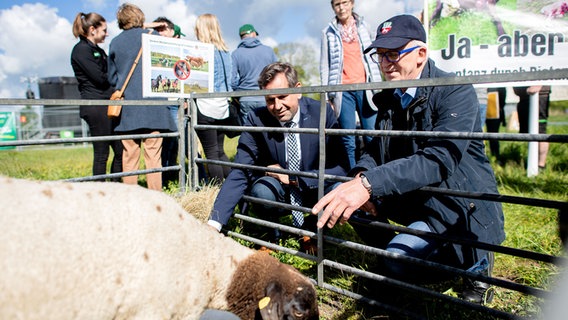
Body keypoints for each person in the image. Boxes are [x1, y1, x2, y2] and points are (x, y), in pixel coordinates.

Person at [312, 14, 505, 304]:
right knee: (347, 199)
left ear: (421, 54)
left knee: (397, 260)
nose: (386, 63)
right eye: (380, 55)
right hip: (416, 199)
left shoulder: (455, 91)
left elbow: (438, 159)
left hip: (456, 207)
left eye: (393, 53)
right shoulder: (390, 99)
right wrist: (361, 176)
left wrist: (369, 184)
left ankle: (473, 265)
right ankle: (399, 257)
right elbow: (374, 151)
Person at [208, 62, 349, 235]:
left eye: (282, 96)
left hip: (314, 188)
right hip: (280, 191)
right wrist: (214, 223)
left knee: (336, 188)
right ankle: (272, 236)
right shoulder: (257, 118)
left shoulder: (321, 113)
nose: (277, 106)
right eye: (270, 100)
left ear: (298, 90)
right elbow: (241, 170)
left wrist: (295, 178)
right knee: (262, 190)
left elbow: (341, 167)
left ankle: (312, 233)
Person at [108, 3, 177, 191]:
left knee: (129, 157)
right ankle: (156, 199)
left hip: (129, 109)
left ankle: (131, 197)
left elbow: (112, 77)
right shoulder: (154, 38)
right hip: (154, 108)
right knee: (154, 158)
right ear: (140, 18)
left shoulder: (115, 42)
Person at [320, 0, 382, 169]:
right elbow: (325, 65)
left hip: (366, 87)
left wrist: (379, 84)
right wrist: (327, 96)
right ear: (333, 7)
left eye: (345, 3)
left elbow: (375, 55)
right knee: (348, 138)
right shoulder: (328, 32)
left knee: (371, 133)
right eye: (337, 4)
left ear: (352, 4)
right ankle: (352, 173)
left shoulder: (364, 26)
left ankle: (374, 173)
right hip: (342, 90)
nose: (342, 8)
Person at [70, 12, 123, 181]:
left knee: (121, 150)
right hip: (95, 105)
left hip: (107, 104)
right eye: (104, 30)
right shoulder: (81, 51)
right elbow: (100, 78)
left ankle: (115, 186)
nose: (107, 34)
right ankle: (100, 189)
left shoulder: (97, 50)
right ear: (92, 29)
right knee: (101, 153)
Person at [194, 13, 233, 183]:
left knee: (210, 152)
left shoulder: (201, 52)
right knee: (220, 151)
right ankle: (234, 187)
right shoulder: (225, 51)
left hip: (206, 105)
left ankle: (217, 193)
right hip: (222, 105)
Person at [150, 16, 184, 186]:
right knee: (161, 142)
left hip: (175, 102)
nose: (161, 33)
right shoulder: (152, 47)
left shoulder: (179, 49)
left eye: (164, 29)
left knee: (176, 141)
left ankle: (173, 175)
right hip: (159, 102)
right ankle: (163, 177)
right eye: (159, 29)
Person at [231, 24, 277, 123]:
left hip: (246, 99)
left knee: (249, 134)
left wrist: (240, 94)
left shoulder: (236, 54)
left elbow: (232, 81)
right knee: (269, 131)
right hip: (266, 97)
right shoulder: (268, 51)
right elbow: (277, 74)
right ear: (253, 33)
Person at [513, 85, 551, 170]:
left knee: (540, 131)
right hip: (523, 97)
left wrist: (539, 84)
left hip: (539, 96)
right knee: (527, 132)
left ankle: (541, 165)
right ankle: (532, 163)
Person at [486, 87, 507, 159]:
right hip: (493, 108)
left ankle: (495, 155)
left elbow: (502, 95)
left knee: (493, 135)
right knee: (492, 134)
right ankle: (494, 155)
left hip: (494, 109)